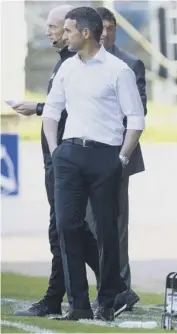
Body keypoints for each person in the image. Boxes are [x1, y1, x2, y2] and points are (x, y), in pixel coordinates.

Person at [42, 7, 145, 321]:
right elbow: (51, 111)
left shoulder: (118, 70)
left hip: (106, 157)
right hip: (69, 156)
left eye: (69, 30)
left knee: (107, 233)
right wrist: (56, 150)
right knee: (67, 227)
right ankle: (78, 305)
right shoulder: (66, 69)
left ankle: (108, 301)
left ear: (85, 33)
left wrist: (122, 158)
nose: (64, 35)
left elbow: (136, 119)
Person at [12, 4, 101, 317]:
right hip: (57, 157)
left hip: (68, 157)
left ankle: (63, 298)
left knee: (63, 228)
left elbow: (74, 109)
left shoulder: (79, 65)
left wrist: (37, 108)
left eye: (56, 27)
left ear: (74, 29)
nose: (50, 32)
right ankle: (113, 287)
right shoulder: (64, 63)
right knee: (69, 228)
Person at [85, 6, 147, 311]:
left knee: (115, 227)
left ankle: (119, 291)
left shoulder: (130, 64)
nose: (106, 34)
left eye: (111, 28)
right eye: (102, 28)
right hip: (80, 157)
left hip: (114, 158)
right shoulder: (77, 63)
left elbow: (135, 114)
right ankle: (113, 288)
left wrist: (118, 155)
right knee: (80, 226)